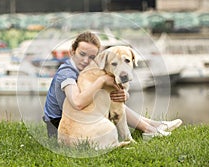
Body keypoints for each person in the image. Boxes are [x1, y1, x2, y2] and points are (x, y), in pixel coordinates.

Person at [43, 31, 182, 138]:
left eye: (91, 57)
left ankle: (155, 125)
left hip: (78, 119)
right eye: (82, 54)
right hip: (59, 126)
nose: (86, 60)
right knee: (107, 100)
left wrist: (123, 94)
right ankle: (150, 128)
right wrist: (102, 81)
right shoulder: (66, 73)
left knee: (111, 99)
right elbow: (77, 103)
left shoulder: (87, 70)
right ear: (72, 52)